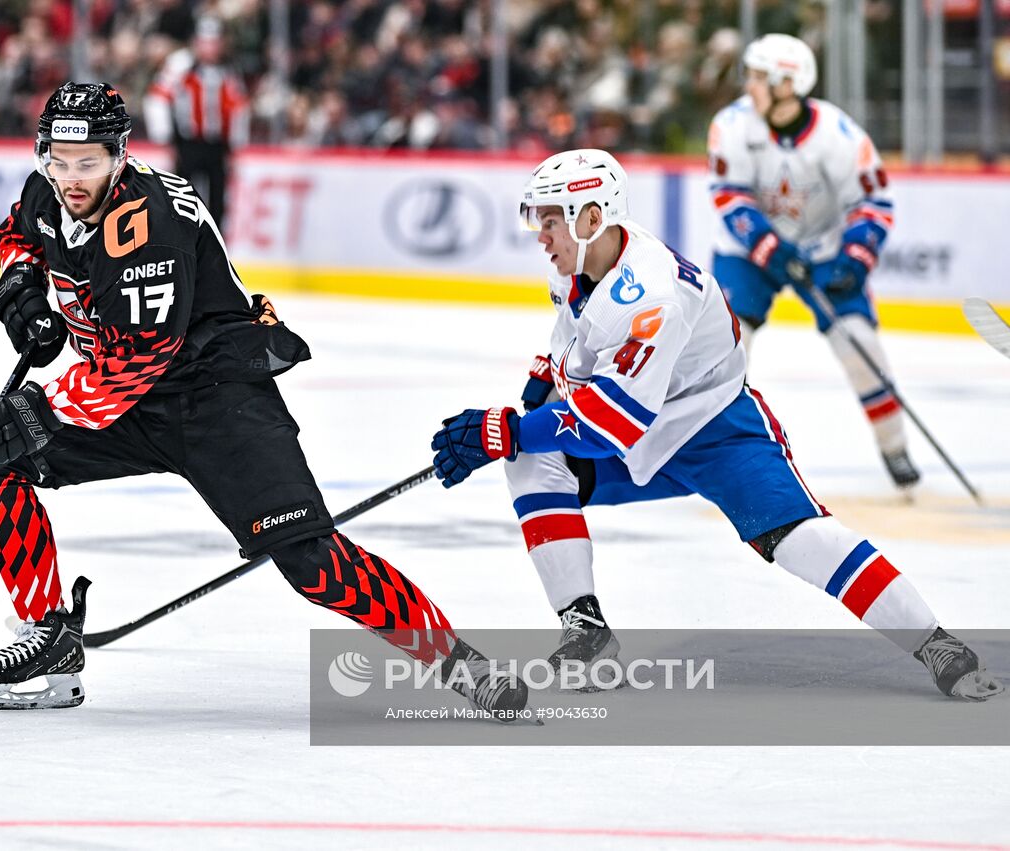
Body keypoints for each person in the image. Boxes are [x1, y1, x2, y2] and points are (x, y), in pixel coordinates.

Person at [0, 81, 526, 715]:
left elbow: (135, 363)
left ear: (119, 155)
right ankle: (49, 634)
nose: (70, 178)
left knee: (313, 564)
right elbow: (19, 234)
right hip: (129, 400)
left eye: (87, 163)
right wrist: (23, 287)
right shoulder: (48, 188)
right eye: (58, 161)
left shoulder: (150, 228)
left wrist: (35, 410)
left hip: (216, 399)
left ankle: (457, 661)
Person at [429, 149, 1003, 702]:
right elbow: (575, 351)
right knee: (530, 459)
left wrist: (507, 429)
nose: (540, 235)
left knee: (798, 540)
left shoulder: (652, 296)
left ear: (591, 218)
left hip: (714, 431)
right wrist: (532, 398)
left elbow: (607, 425)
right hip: (640, 426)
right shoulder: (582, 265)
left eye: (550, 220)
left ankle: (936, 644)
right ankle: (588, 633)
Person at [707, 34, 918, 492]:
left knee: (859, 344)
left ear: (790, 83)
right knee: (725, 347)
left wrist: (854, 259)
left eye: (761, 77)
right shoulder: (733, 125)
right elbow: (729, 195)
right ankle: (708, 449)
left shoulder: (838, 135)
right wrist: (773, 252)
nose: (750, 85)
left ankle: (894, 445)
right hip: (749, 253)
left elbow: (873, 202)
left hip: (823, 249)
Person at [143, 16, 248, 228]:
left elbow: (238, 106)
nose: (210, 48)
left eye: (214, 42)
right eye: (205, 42)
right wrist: (164, 136)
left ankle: (216, 247)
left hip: (217, 144)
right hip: (188, 141)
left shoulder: (229, 68)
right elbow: (157, 97)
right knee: (182, 194)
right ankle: (181, 240)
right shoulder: (181, 64)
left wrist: (236, 143)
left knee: (217, 198)